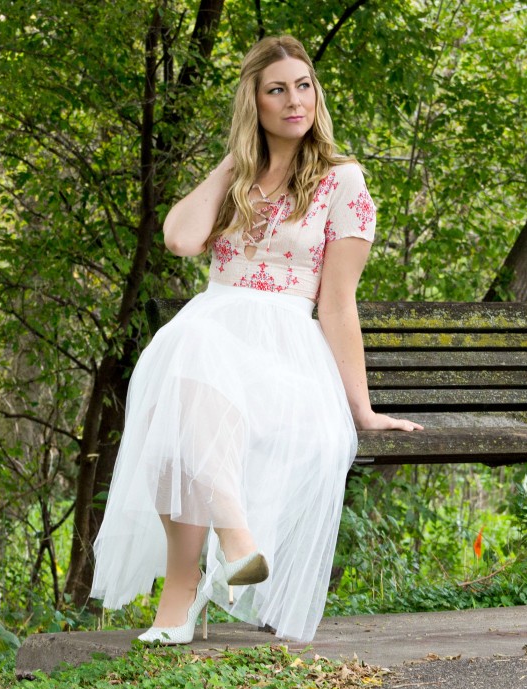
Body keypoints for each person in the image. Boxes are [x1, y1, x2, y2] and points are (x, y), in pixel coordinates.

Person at [90, 35, 422, 644]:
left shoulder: (341, 180)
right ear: (255, 104)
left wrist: (361, 407)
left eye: (304, 86)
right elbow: (181, 240)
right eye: (277, 90)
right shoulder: (236, 179)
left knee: (183, 373)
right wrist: (234, 162)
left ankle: (183, 596)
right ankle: (234, 539)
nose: (295, 100)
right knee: (185, 363)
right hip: (212, 334)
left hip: (282, 350)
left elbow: (337, 301)